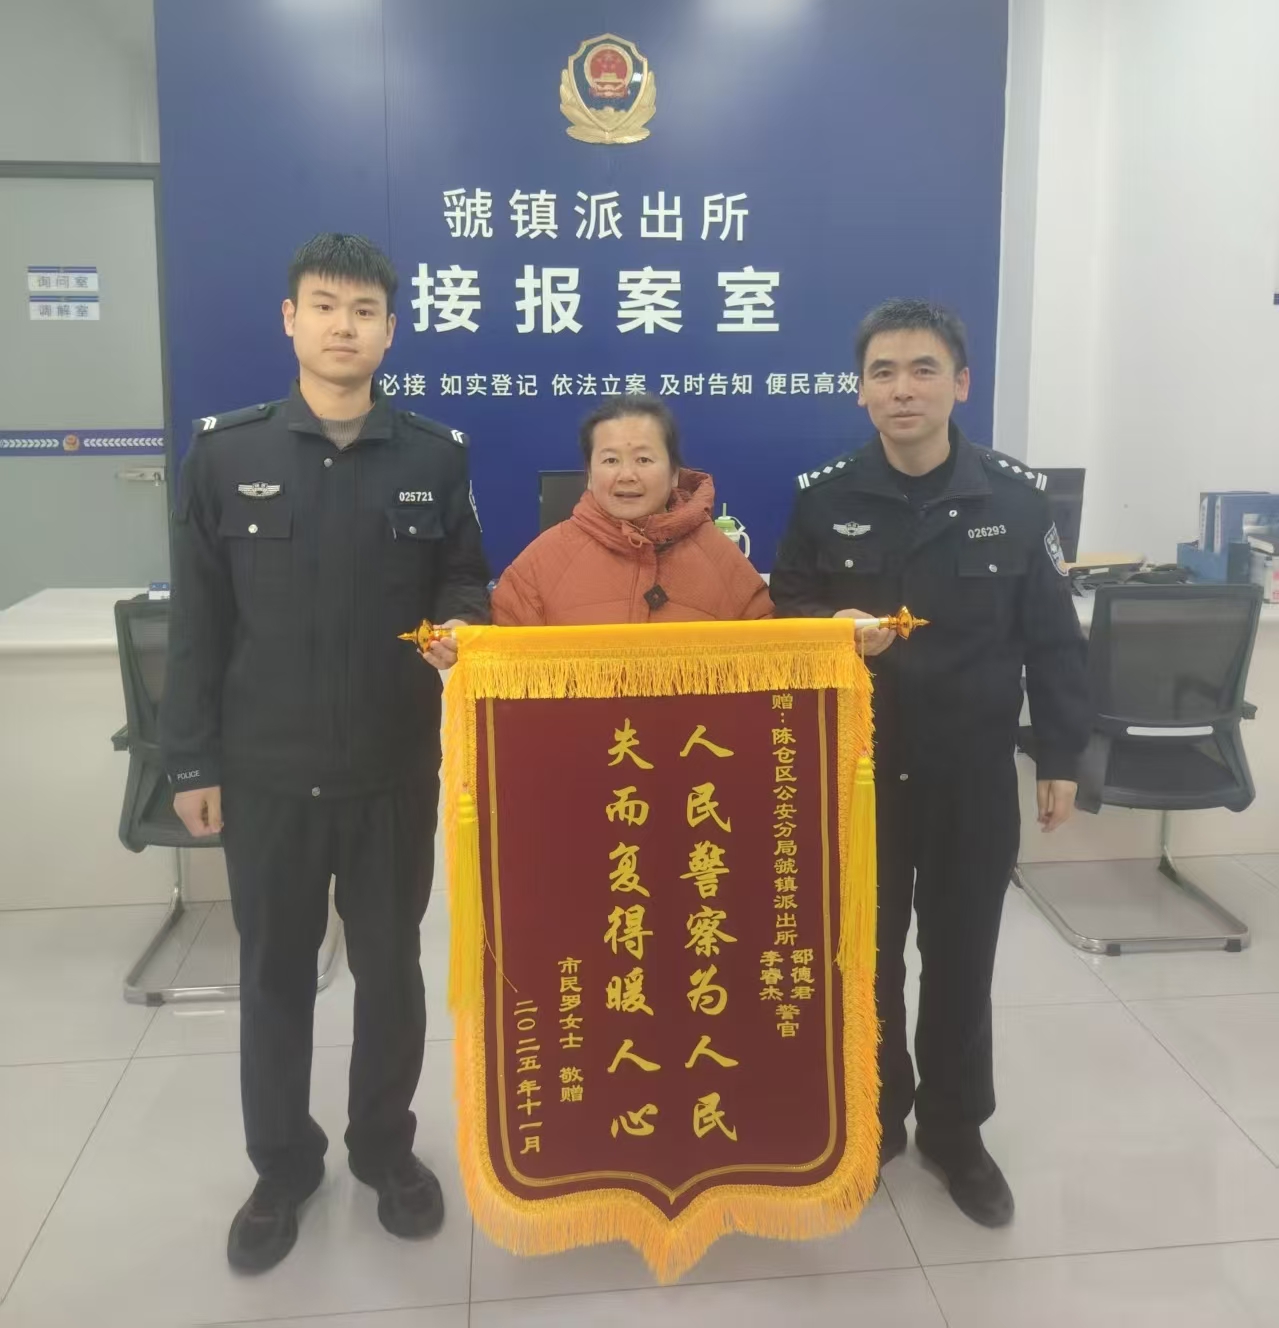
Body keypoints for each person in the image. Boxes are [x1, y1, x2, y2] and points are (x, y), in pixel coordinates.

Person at [161, 234, 490, 1272]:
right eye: (324, 305)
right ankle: (283, 1167)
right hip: (267, 773)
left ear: (391, 330)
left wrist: (459, 623)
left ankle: (384, 1149)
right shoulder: (226, 455)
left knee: (391, 972)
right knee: (273, 976)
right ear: (289, 320)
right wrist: (190, 761)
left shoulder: (434, 456)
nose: (344, 325)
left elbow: (464, 576)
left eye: (364, 310)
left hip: (393, 770)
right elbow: (197, 623)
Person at [771, 299, 1088, 1228]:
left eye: (921, 369)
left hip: (969, 775)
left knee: (960, 961)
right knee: (864, 963)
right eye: (882, 372)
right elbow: (784, 610)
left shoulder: (1015, 501)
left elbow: (1053, 640)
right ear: (859, 391)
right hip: (858, 778)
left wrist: (1060, 752)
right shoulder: (825, 498)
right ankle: (872, 1119)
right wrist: (824, 627)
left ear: (960, 383)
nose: (901, 388)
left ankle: (956, 1133)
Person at [491, 395, 771, 625]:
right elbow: (497, 661)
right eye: (611, 460)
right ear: (589, 475)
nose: (627, 475)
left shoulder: (722, 561)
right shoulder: (539, 565)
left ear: (674, 473)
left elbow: (770, 655)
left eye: (643, 459)